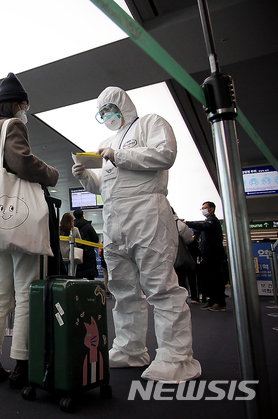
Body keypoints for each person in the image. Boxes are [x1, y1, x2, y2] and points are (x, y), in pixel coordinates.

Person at [71, 86, 201, 382]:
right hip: (115, 221)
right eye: (101, 113)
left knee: (161, 288)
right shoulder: (107, 143)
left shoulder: (150, 123)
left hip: (147, 215)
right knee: (123, 290)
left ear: (122, 106)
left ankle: (175, 357)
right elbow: (105, 184)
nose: (106, 116)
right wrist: (86, 177)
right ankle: (130, 349)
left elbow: (163, 155)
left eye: (109, 109)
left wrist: (118, 154)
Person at [0, 73, 59, 388]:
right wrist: (52, 173)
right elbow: (22, 162)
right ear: (19, 105)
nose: (26, 111)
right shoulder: (14, 126)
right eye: (25, 106)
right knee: (25, 291)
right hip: (18, 221)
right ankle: (22, 364)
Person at [186, 201, 227, 311]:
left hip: (214, 255)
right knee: (210, 280)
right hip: (207, 256)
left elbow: (201, 226)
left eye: (205, 208)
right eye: (202, 208)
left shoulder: (212, 221)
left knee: (216, 279)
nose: (203, 210)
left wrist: (187, 223)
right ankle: (212, 300)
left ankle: (220, 303)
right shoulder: (208, 222)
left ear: (212, 209)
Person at [172, 208, 196, 304]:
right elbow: (189, 240)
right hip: (181, 255)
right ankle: (190, 298)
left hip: (169, 256)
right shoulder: (180, 224)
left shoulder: (159, 223)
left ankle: (179, 299)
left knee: (175, 278)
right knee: (185, 276)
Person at [73, 209, 100, 280]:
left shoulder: (72, 227)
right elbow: (95, 239)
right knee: (90, 276)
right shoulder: (88, 226)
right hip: (88, 254)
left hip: (76, 253)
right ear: (83, 215)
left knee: (78, 276)